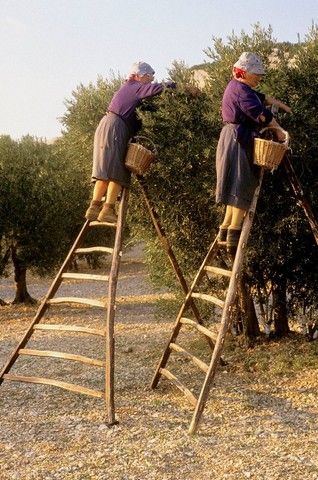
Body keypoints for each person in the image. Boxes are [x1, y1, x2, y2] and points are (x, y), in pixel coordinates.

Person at [215, 52, 291, 252]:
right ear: (244, 73)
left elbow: (263, 99)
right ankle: (234, 234)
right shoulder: (242, 91)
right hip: (238, 138)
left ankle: (224, 228)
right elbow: (262, 116)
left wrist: (281, 105)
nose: (259, 77)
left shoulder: (238, 86)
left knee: (233, 185)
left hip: (230, 137)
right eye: (256, 74)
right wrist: (280, 131)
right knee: (243, 183)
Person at [85, 61, 176, 223]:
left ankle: (94, 207)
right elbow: (155, 89)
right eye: (149, 77)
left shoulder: (126, 88)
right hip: (116, 127)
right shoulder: (135, 87)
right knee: (116, 170)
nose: (150, 80)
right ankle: (108, 209)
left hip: (106, 125)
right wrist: (175, 86)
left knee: (104, 168)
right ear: (139, 75)